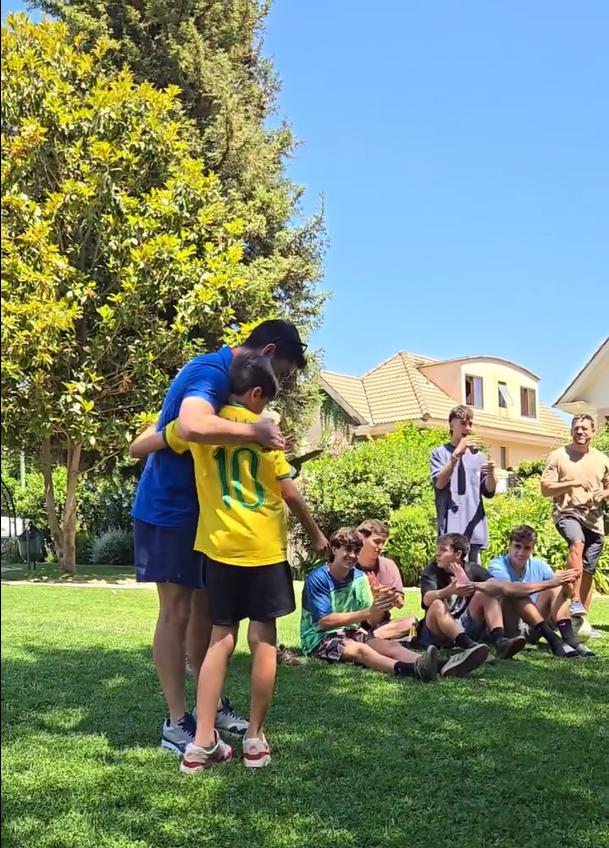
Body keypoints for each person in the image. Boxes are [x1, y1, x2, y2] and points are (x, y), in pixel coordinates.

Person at [129, 319, 307, 754]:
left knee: (206, 613)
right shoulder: (210, 372)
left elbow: (150, 440)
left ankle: (211, 708)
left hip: (207, 518)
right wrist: (254, 432)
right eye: (279, 374)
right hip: (169, 510)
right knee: (176, 611)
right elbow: (189, 427)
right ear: (266, 353)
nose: (272, 388)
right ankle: (177, 722)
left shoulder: (230, 392)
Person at [300, 528, 488, 680]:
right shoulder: (318, 578)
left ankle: (443, 665)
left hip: (351, 632)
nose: (352, 555)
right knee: (362, 651)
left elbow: (371, 622)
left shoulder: (358, 577)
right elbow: (324, 622)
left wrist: (379, 606)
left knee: (390, 646)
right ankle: (411, 670)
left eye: (356, 551)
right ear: (334, 550)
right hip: (319, 639)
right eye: (347, 550)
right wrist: (367, 612)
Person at [486, 525, 593, 658]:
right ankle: (554, 641)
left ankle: (570, 640)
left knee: (555, 588)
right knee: (515, 590)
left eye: (527, 548)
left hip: (535, 625)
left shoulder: (540, 565)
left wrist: (567, 581)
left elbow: (563, 593)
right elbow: (509, 589)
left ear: (533, 548)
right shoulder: (497, 564)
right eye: (517, 546)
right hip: (510, 625)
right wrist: (550, 582)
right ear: (509, 545)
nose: (521, 552)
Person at [541, 414, 609, 622]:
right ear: (571, 431)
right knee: (576, 542)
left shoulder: (602, 459)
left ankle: (582, 621)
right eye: (576, 428)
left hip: (594, 517)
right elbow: (545, 489)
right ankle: (575, 600)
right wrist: (570, 484)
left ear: (592, 432)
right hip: (566, 511)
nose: (580, 432)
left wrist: (604, 494)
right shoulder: (558, 456)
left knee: (588, 569)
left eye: (584, 428)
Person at [418, 533, 527, 663]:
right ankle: (471, 646)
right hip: (437, 631)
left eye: (443, 550)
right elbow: (427, 599)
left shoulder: (472, 569)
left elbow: (497, 587)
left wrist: (472, 584)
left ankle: (501, 641)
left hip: (464, 624)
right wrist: (448, 591)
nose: (437, 553)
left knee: (486, 593)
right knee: (437, 604)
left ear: (458, 554)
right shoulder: (431, 571)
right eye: (437, 549)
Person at [430, 405, 496, 563]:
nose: (467, 428)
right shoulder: (440, 453)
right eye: (463, 423)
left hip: (474, 530)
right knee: (451, 579)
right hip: (451, 531)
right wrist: (456, 455)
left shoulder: (479, 456)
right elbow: (439, 483)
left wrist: (492, 474)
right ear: (452, 425)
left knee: (474, 582)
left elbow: (489, 491)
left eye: (470, 424)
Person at [356, 519, 417, 640]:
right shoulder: (348, 565)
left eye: (383, 542)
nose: (381, 547)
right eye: (376, 542)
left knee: (412, 622)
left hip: (379, 624)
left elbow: (400, 603)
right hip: (353, 621)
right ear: (362, 538)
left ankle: (367, 638)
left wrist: (390, 596)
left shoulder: (388, 565)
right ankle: (369, 638)